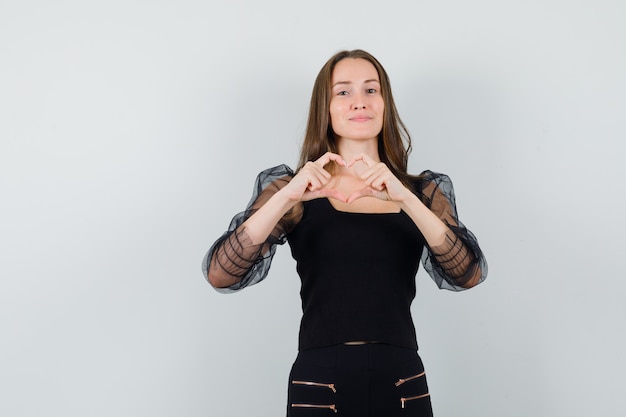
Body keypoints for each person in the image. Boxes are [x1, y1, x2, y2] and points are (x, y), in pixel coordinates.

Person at [202, 49, 487, 416]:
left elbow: (467, 274)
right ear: (326, 107)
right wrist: (288, 194)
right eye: (343, 92)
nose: (359, 102)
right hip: (320, 381)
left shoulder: (421, 193)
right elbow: (222, 274)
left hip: (401, 380)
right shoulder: (294, 190)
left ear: (385, 103)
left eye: (371, 90)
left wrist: (406, 199)